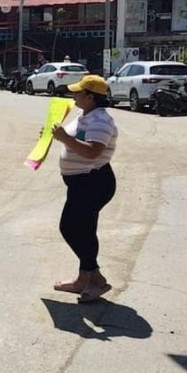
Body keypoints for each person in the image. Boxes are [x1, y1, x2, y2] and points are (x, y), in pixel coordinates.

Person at [51, 74, 117, 302]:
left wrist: (63, 138)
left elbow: (92, 151)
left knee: (70, 227)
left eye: (78, 92)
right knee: (85, 230)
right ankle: (83, 278)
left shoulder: (100, 120)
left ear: (90, 97)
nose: (74, 95)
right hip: (81, 182)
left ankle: (95, 277)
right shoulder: (85, 115)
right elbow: (72, 139)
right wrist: (56, 136)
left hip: (93, 182)